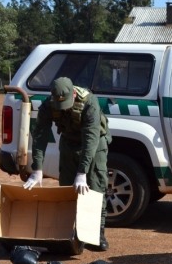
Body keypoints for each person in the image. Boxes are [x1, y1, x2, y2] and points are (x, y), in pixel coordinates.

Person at [23, 77, 112, 250]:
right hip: (69, 143)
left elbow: (91, 138)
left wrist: (82, 172)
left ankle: (97, 233)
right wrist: (37, 169)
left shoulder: (89, 102)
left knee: (95, 187)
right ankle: (73, 232)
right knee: (67, 188)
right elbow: (40, 135)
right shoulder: (48, 105)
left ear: (73, 93)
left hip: (95, 145)